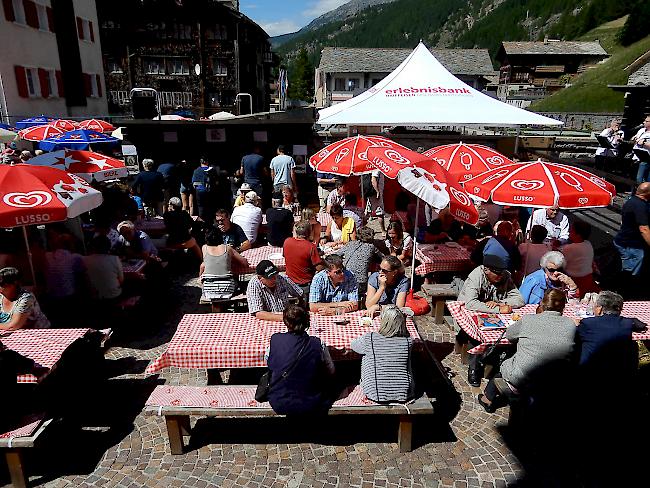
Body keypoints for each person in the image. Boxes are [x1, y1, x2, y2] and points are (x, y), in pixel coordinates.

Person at [477, 289, 577, 413]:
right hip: (555, 381)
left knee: (506, 366)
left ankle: (488, 399)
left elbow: (509, 335)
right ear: (563, 307)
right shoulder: (570, 324)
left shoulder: (529, 320)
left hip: (524, 380)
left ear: (542, 304)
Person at [266, 304, 336, 415]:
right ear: (307, 322)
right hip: (313, 401)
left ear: (286, 322)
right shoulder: (317, 343)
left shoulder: (275, 339)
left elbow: (270, 364)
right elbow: (331, 371)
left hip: (279, 400)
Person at [576, 291, 647, 386]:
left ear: (599, 309)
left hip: (591, 372)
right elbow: (641, 325)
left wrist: (576, 323)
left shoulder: (587, 323)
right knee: (633, 344)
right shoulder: (627, 323)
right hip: (620, 372)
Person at [351, 305, 414, 403]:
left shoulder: (370, 338)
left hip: (373, 393)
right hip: (403, 393)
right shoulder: (408, 341)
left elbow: (353, 345)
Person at [458, 254, 525, 314]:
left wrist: (500, 303)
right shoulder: (476, 275)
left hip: (490, 312)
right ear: (486, 270)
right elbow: (470, 303)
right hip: (467, 312)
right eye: (497, 273)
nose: (501, 275)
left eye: (502, 272)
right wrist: (498, 309)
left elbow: (520, 299)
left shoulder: (505, 275)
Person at [613, 182, 650, 282]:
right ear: (647, 193)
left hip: (624, 240)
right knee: (630, 270)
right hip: (630, 245)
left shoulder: (631, 201)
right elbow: (644, 229)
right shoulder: (640, 206)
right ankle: (625, 290)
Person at [199, 228, 248, 300]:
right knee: (238, 282)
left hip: (209, 289)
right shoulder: (228, 248)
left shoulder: (204, 248)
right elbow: (244, 263)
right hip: (228, 288)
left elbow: (205, 264)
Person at [335, 226, 384, 297]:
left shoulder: (350, 244)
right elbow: (383, 258)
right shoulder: (371, 247)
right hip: (361, 283)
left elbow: (336, 255)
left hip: (345, 279)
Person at [284, 221, 325, 296]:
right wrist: (324, 262)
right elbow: (319, 268)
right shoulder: (311, 247)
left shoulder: (287, 241)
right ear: (310, 233)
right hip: (305, 285)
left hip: (289, 283)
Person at [43, 233, 85, 303]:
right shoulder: (74, 257)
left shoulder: (47, 256)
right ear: (71, 244)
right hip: (69, 295)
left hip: (51, 297)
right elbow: (82, 274)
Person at [561, 221, 598, 297]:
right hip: (588, 280)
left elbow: (561, 263)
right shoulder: (588, 244)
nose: (569, 232)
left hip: (573, 281)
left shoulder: (569, 248)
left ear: (578, 235)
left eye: (571, 231)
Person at [83, 236, 124, 303]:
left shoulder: (85, 260)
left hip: (95, 296)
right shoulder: (115, 259)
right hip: (113, 295)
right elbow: (121, 280)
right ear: (109, 246)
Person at [192, 158, 217, 223]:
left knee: (201, 207)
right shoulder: (212, 170)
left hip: (199, 192)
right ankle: (210, 222)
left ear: (200, 162)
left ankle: (202, 223)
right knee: (210, 207)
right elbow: (216, 182)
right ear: (207, 162)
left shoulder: (196, 171)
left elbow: (194, 183)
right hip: (210, 192)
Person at [631, 114, 650, 184]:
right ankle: (634, 193)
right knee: (634, 178)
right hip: (636, 157)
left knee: (640, 179)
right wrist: (633, 138)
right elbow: (634, 139)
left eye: (646, 121)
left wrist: (643, 142)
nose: (644, 122)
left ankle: (639, 194)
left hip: (646, 159)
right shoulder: (641, 130)